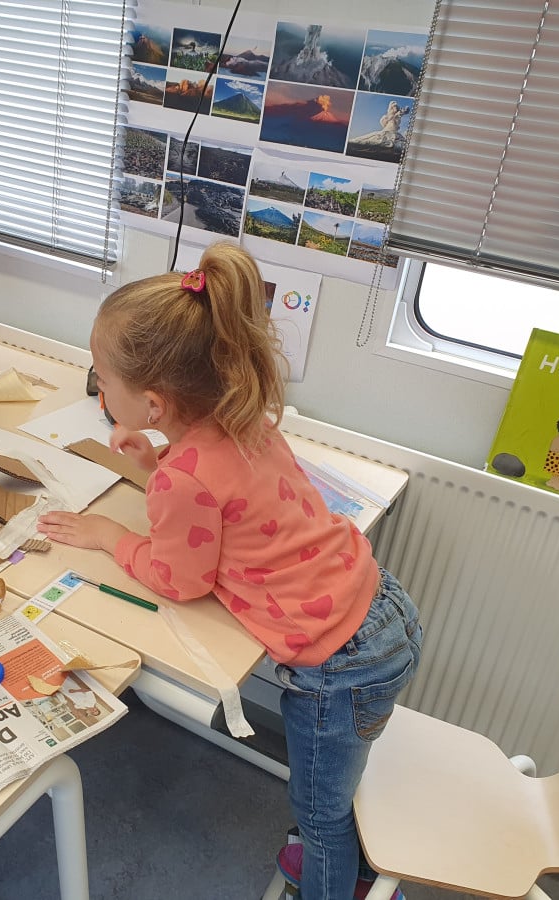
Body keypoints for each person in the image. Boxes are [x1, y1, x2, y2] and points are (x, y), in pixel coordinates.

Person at [37, 242, 423, 900]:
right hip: (384, 611)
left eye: (103, 378)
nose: (99, 388)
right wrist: (159, 458)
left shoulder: (184, 477)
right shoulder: (242, 418)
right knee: (333, 785)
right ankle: (347, 869)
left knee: (318, 813)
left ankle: (337, 887)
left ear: (154, 406)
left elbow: (178, 579)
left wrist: (109, 535)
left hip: (338, 664)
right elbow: (225, 497)